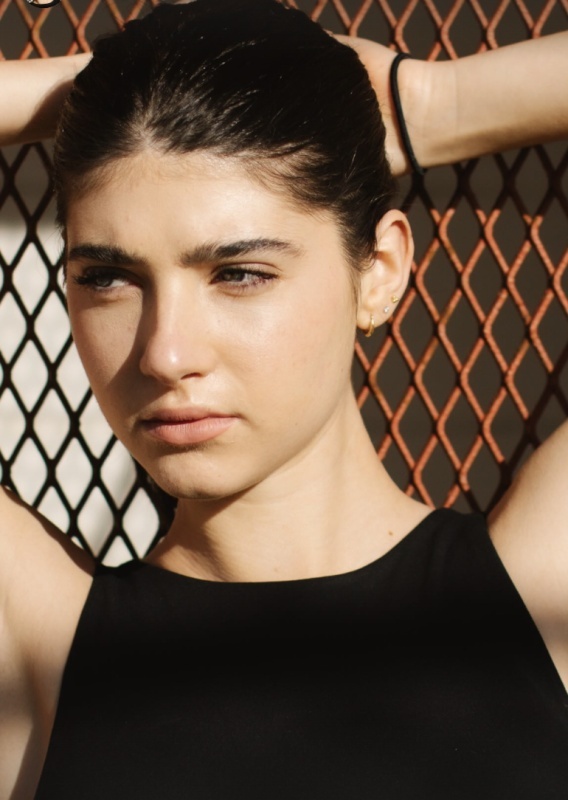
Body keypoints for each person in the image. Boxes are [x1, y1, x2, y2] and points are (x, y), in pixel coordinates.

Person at [0, 1, 567, 797]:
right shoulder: (37, 645)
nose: (165, 354)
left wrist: (428, 105)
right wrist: (99, 86)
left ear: (380, 271)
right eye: (109, 278)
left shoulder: (543, 588)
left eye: (239, 274)